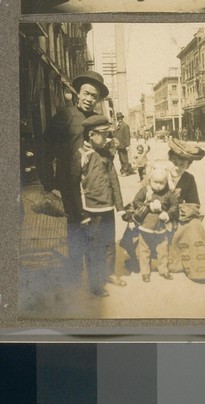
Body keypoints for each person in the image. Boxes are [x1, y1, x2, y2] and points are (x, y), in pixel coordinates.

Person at [39, 70, 109, 284]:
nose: (89, 99)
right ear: (78, 93)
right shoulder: (64, 116)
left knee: (95, 232)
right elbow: (44, 149)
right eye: (86, 93)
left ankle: (96, 280)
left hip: (92, 187)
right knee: (76, 229)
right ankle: (74, 276)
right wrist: (49, 183)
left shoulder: (99, 121)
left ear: (98, 99)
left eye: (94, 96)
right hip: (69, 186)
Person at [73, 115, 126, 297]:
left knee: (109, 243)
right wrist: (82, 214)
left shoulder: (106, 155)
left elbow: (114, 181)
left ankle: (109, 273)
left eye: (107, 135)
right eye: (102, 135)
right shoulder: (81, 155)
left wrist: (120, 206)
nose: (106, 139)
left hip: (107, 209)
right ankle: (95, 283)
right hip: (91, 210)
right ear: (91, 134)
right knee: (94, 247)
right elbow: (74, 187)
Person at [167, 138, 205, 282]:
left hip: (179, 216)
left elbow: (194, 203)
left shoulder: (189, 179)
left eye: (182, 165)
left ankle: (200, 268)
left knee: (195, 225)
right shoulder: (159, 174)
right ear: (169, 159)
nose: (177, 167)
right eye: (175, 163)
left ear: (188, 165)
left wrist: (182, 210)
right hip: (161, 216)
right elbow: (144, 197)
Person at [132, 163, 178, 282]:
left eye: (161, 183)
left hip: (161, 226)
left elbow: (174, 206)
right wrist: (147, 206)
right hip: (146, 226)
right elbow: (136, 201)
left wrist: (167, 214)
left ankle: (164, 270)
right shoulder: (146, 190)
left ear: (166, 182)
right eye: (155, 182)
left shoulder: (168, 193)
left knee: (163, 249)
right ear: (150, 180)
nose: (157, 186)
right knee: (144, 249)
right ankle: (145, 272)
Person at [114, 112, 133, 176]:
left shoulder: (125, 125)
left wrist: (127, 145)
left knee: (124, 159)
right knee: (121, 159)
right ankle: (122, 170)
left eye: (120, 118)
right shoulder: (118, 126)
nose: (119, 119)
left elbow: (127, 136)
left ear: (122, 118)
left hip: (124, 145)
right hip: (119, 146)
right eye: (118, 118)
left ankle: (126, 171)